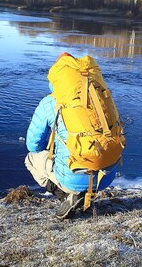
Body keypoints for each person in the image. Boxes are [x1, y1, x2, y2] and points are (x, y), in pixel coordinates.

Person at [24, 53, 118, 219]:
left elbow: (33, 145)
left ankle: (67, 196)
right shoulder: (101, 97)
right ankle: (84, 193)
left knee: (30, 159)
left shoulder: (50, 102)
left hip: (73, 176)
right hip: (107, 175)